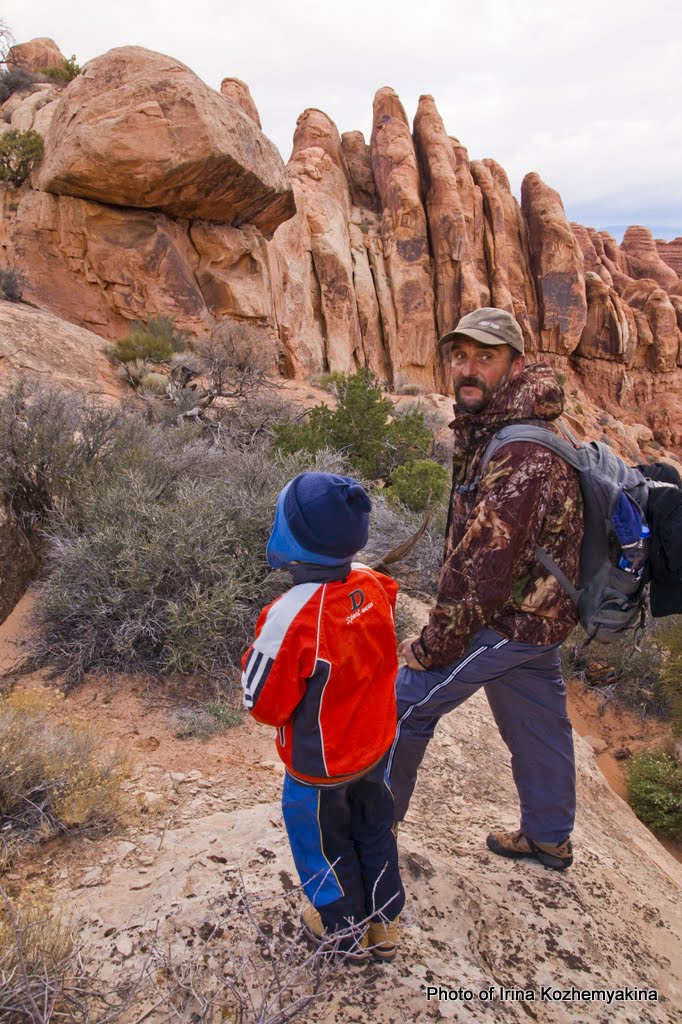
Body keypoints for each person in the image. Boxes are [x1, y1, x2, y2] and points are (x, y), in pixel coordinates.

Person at [388, 307, 583, 871]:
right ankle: (548, 836)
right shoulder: (509, 424)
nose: (467, 369)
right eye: (460, 356)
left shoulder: (521, 450)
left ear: (516, 365)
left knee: (404, 705)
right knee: (538, 722)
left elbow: (484, 574)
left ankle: (369, 843)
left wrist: (432, 647)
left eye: (485, 357)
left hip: (511, 618)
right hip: (541, 613)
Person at [241, 471, 405, 962]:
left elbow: (264, 705)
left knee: (322, 843)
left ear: (292, 539)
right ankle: (385, 923)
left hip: (321, 766)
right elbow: (387, 601)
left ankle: (342, 930)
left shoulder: (288, 616)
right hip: (375, 747)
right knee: (373, 828)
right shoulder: (372, 582)